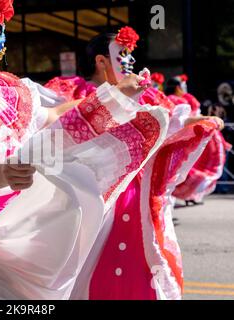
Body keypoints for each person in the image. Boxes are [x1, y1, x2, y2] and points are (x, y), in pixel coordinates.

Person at [0, 0, 169, 300]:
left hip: (23, 233)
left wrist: (115, 95)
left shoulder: (11, 91)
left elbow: (55, 118)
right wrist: (5, 172)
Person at [46, 28, 224, 299]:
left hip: (137, 194)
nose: (129, 61)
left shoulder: (143, 97)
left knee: (141, 267)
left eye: (131, 55)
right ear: (101, 61)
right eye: (122, 54)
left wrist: (197, 123)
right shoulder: (75, 94)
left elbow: (166, 121)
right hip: (93, 197)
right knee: (88, 271)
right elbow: (58, 133)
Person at [167, 75, 232, 205]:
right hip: (183, 139)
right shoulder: (174, 100)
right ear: (178, 88)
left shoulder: (181, 99)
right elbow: (184, 120)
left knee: (183, 169)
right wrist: (205, 120)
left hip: (190, 139)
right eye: (183, 86)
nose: (184, 88)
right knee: (180, 170)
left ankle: (189, 196)